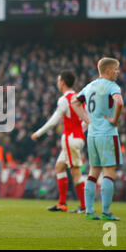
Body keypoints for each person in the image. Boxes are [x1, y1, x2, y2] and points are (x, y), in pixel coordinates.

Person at [72, 57, 124, 221]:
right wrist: (115, 120)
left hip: (92, 135)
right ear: (108, 71)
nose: (118, 72)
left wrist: (87, 120)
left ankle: (89, 211)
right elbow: (120, 102)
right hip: (107, 134)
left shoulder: (90, 86)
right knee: (109, 172)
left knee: (93, 172)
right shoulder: (112, 86)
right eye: (116, 69)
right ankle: (106, 212)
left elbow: (75, 103)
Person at [30, 70, 87, 213]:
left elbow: (53, 122)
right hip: (77, 138)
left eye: (58, 81)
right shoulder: (79, 97)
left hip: (70, 139)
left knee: (76, 173)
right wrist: (80, 133)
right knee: (59, 167)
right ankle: (62, 203)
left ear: (62, 83)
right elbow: (86, 119)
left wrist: (38, 133)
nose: (57, 83)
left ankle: (85, 207)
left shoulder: (64, 99)